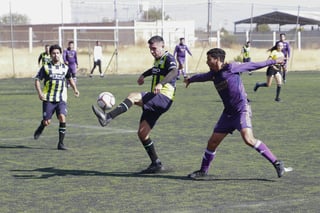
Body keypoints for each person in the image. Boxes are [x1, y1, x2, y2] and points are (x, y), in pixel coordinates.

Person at [184, 48, 287, 179]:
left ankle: (277, 163)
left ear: (217, 59)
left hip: (241, 109)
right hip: (228, 113)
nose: (207, 62)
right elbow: (202, 77)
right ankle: (203, 171)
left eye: (209, 59)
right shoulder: (213, 74)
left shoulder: (232, 67)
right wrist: (190, 80)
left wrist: (273, 61)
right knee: (212, 142)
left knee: (248, 139)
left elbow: (253, 65)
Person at [91, 35, 178, 173]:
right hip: (155, 98)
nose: (152, 51)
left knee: (133, 96)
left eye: (154, 48)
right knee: (142, 133)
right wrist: (144, 75)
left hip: (163, 97)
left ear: (163, 46)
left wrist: (161, 84)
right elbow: (155, 70)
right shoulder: (158, 60)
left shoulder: (169, 58)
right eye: (150, 49)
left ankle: (107, 118)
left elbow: (174, 71)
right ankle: (156, 163)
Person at [33, 44, 80, 150]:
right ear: (50, 55)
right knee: (47, 122)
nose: (56, 55)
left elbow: (70, 79)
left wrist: (75, 89)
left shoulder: (65, 68)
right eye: (53, 53)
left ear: (60, 54)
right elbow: (36, 80)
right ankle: (42, 125)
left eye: (58, 53)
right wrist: (40, 93)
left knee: (62, 117)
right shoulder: (45, 67)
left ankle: (61, 143)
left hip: (61, 99)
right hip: (48, 99)